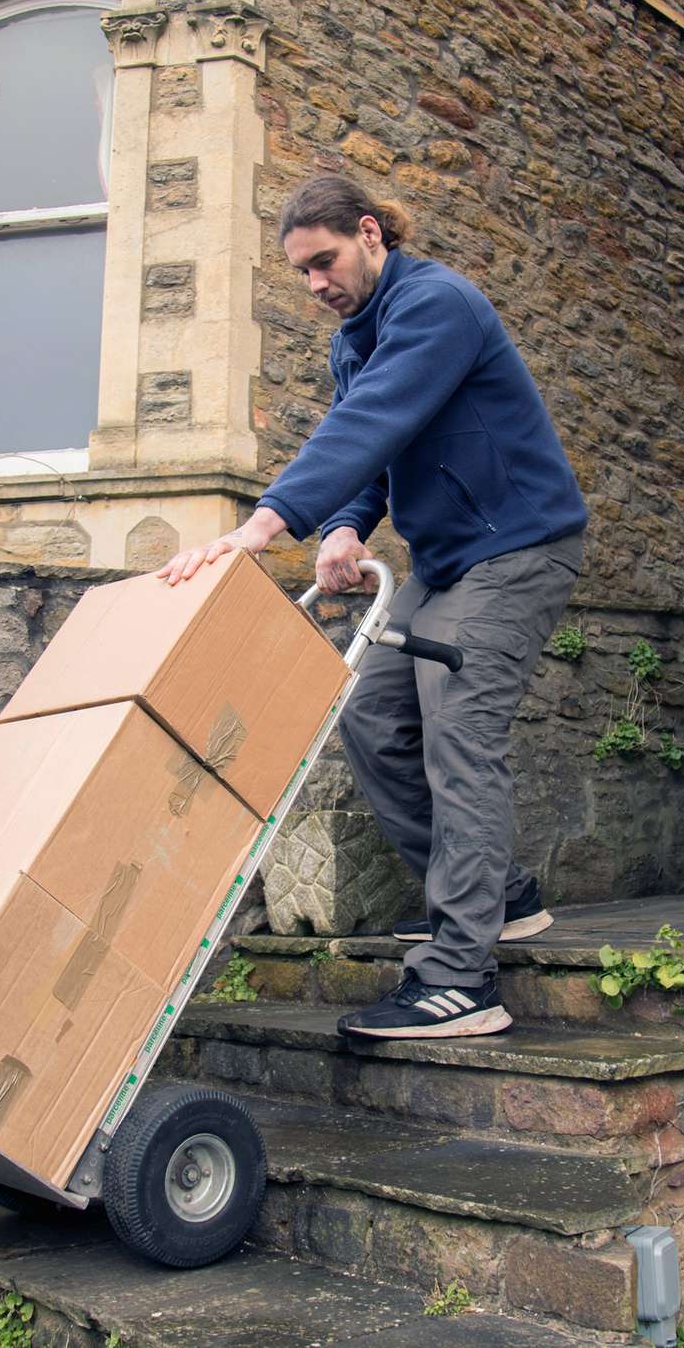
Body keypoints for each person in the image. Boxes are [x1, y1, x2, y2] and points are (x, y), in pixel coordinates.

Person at [156, 175, 586, 1040]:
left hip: (520, 546)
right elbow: (375, 451)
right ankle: (496, 896)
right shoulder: (355, 341)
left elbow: (370, 422)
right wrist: (346, 526)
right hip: (446, 559)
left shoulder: (438, 306)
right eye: (301, 273)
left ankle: (460, 979)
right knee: (370, 709)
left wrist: (265, 525)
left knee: (459, 729)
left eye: (325, 262)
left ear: (369, 234)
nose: (316, 284)